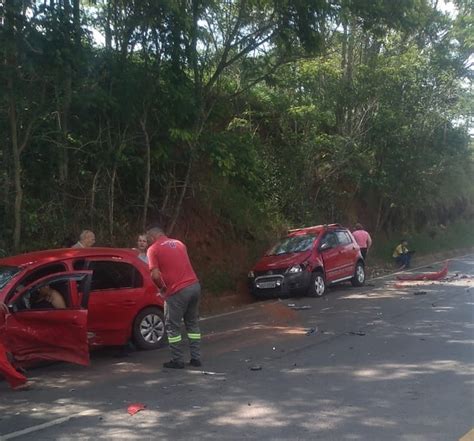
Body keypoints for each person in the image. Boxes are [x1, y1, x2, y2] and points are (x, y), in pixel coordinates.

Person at [146, 225, 201, 369]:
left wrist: (162, 288)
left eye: (148, 239)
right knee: (192, 323)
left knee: (172, 326)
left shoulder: (153, 249)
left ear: (152, 237)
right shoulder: (179, 244)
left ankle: (177, 360)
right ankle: (196, 358)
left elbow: (155, 274)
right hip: (194, 286)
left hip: (177, 291)